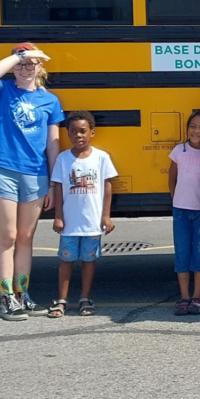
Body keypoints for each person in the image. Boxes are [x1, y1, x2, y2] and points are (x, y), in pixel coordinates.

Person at [0, 43, 64, 321]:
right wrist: (18, 56)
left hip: (36, 174)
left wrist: (53, 183)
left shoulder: (50, 101)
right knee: (8, 237)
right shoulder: (3, 91)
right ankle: (6, 298)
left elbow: (53, 145)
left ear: (41, 68)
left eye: (32, 63)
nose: (26, 68)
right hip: (2, 170)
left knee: (26, 238)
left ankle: (22, 294)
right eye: (21, 64)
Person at [46, 111, 117, 318]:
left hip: (92, 222)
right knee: (66, 261)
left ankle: (85, 298)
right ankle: (62, 300)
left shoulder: (101, 157)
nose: (78, 135)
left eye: (83, 131)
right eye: (73, 132)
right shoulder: (63, 159)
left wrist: (106, 216)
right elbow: (58, 188)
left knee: (89, 261)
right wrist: (58, 216)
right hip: (69, 222)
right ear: (67, 134)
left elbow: (107, 186)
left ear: (92, 133)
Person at [169, 111, 200, 316]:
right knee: (182, 253)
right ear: (187, 129)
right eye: (193, 126)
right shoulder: (179, 151)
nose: (197, 131)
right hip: (181, 211)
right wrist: (176, 199)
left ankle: (197, 296)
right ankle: (184, 296)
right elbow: (172, 179)